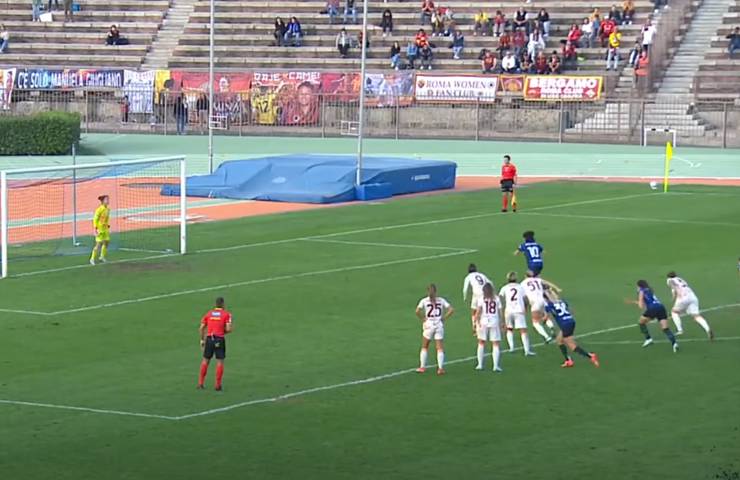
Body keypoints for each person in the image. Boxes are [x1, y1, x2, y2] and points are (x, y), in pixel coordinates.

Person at [544, 292, 600, 368]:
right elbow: (570, 310)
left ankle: (590, 356)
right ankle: (568, 360)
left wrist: (544, 320)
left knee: (571, 345)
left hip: (565, 324)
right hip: (571, 321)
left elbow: (546, 317)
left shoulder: (548, 305)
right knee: (559, 340)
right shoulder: (562, 301)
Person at [415, 284, 454, 375]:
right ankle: (440, 368)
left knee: (425, 346)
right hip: (439, 324)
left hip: (429, 325)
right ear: (436, 291)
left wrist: (423, 319)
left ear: (428, 292)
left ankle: (422, 367)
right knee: (439, 347)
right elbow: (451, 310)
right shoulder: (441, 300)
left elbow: (417, 311)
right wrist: (444, 318)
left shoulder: (424, 301)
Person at [631, 280, 679, 352]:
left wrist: (637, 302)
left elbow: (641, 306)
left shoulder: (641, 291)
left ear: (639, 286)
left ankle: (648, 339)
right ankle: (674, 343)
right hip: (661, 307)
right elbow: (648, 300)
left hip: (653, 308)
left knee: (641, 322)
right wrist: (638, 302)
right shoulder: (650, 289)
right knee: (665, 328)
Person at [197, 297, 233, 391]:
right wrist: (223, 331)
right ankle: (217, 385)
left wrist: (202, 340)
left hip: (209, 338)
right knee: (220, 361)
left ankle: (200, 383)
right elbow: (228, 329)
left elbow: (201, 328)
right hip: (219, 339)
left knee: (205, 360)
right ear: (223, 304)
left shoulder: (209, 313)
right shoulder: (226, 314)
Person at [666, 272, 713, 339]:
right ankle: (707, 329)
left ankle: (680, 330)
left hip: (683, 297)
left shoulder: (670, 280)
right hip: (692, 296)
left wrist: (673, 299)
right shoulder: (681, 279)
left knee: (674, 312)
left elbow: (674, 288)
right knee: (696, 316)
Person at [499, 272, 535, 355]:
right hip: (519, 310)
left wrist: (503, 307)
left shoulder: (504, 288)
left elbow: (500, 297)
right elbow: (526, 299)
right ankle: (527, 350)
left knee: (509, 329)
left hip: (509, 310)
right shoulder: (520, 287)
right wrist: (526, 308)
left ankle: (511, 347)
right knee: (523, 330)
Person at [521, 270, 560, 343]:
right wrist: (556, 288)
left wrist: (525, 307)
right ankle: (551, 327)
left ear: (525, 276)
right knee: (545, 316)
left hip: (534, 302)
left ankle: (547, 337)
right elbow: (547, 283)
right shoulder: (538, 280)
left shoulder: (523, 283)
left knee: (535, 322)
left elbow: (524, 297)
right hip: (542, 301)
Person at [474, 283, 504, 372]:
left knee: (481, 343)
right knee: (495, 344)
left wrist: (476, 323)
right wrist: (502, 322)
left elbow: (478, 312)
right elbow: (500, 312)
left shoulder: (481, 299)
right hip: (494, 322)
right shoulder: (497, 299)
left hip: (483, 322)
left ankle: (480, 364)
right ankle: (495, 366)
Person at [463, 263, 493, 336]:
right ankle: (486, 326)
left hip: (476, 295)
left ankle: (475, 328)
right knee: (484, 310)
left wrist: (465, 297)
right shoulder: (481, 275)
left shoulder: (469, 276)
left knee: (474, 311)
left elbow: (465, 288)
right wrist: (492, 292)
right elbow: (490, 282)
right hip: (484, 293)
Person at [89, 195, 111, 265]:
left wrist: (107, 225)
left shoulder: (108, 209)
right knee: (98, 245)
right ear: (103, 201)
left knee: (107, 242)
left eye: (108, 199)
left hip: (105, 229)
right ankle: (92, 259)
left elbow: (106, 219)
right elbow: (95, 219)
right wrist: (95, 229)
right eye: (106, 199)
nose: (108, 201)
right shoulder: (99, 210)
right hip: (100, 229)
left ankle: (102, 256)